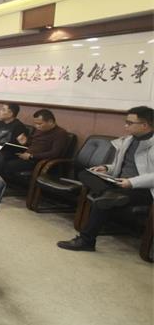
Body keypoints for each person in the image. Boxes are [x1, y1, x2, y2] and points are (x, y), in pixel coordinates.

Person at [58, 106, 154, 252]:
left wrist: (132, 182)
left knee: (102, 202)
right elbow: (118, 165)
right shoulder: (129, 141)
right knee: (85, 174)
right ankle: (108, 193)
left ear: (144, 125)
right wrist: (106, 168)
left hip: (142, 189)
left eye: (129, 123)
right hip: (119, 183)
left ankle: (86, 241)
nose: (125, 126)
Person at [0, 109, 70, 177]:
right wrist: (24, 141)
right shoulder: (40, 130)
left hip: (36, 160)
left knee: (6, 164)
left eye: (39, 124)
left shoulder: (60, 133)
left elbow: (55, 153)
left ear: (50, 121)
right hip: (25, 154)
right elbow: (31, 142)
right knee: (3, 152)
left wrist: (31, 156)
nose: (37, 126)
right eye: (35, 124)